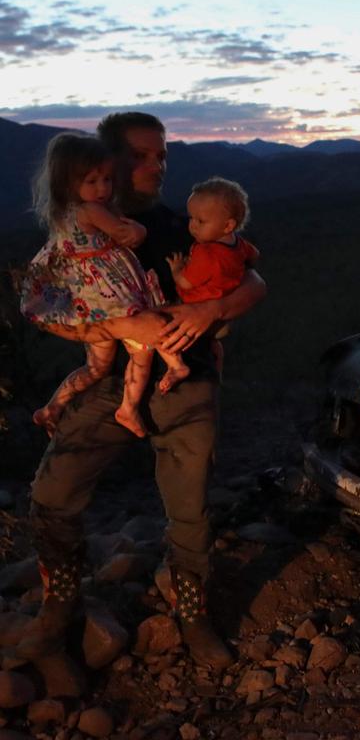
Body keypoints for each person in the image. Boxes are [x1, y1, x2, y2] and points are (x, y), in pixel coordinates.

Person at [11, 112, 266, 670]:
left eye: (163, 155)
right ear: (104, 164)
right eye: (142, 156)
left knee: (190, 506)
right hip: (112, 382)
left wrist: (212, 309)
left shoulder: (183, 225)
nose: (157, 166)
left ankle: (193, 614)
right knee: (53, 492)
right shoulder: (76, 232)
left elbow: (254, 280)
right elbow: (36, 302)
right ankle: (60, 607)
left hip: (184, 378)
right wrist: (113, 328)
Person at [19, 133, 190, 439]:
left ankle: (52, 407)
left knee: (96, 367)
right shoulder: (92, 210)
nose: (102, 188)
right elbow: (129, 236)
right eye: (92, 181)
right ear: (69, 183)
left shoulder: (64, 213)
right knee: (141, 346)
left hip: (88, 301)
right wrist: (137, 228)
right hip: (111, 293)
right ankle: (129, 407)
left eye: (107, 180)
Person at [167, 177, 260, 376]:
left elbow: (186, 282)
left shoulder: (206, 253)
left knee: (160, 323)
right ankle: (215, 358)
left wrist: (177, 269)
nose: (192, 226)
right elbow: (254, 256)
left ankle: (174, 367)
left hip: (196, 306)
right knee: (211, 344)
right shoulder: (238, 243)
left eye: (200, 221)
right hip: (225, 307)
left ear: (227, 226)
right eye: (191, 217)